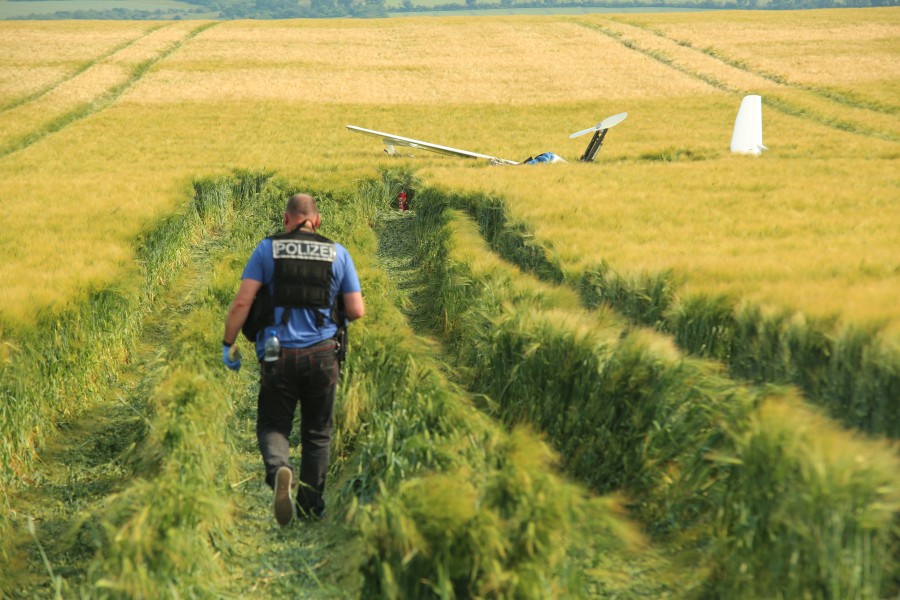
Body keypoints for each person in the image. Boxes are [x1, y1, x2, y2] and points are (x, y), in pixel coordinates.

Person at [221, 193, 364, 526]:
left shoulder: (267, 249)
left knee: (274, 424)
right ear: (317, 221)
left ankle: (280, 469)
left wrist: (228, 344)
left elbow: (242, 303)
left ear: (287, 219)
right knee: (317, 432)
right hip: (324, 355)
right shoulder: (337, 253)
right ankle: (310, 505)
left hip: (277, 354)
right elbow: (356, 309)